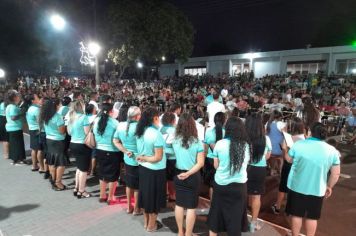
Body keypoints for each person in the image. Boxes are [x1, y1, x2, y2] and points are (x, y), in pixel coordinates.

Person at [282, 122, 340, 236]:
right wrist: (329, 186)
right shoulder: (332, 150)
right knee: (312, 217)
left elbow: (288, 159)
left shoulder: (299, 145)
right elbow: (335, 173)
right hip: (318, 189)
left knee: (296, 214)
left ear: (310, 132)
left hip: (296, 186)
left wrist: (285, 149)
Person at [207, 117, 250, 236]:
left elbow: (216, 166)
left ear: (228, 128)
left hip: (221, 185)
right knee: (235, 221)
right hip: (239, 187)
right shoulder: (245, 146)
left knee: (215, 217)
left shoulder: (220, 144)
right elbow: (245, 166)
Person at [172, 113, 205, 236]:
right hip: (192, 176)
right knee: (191, 207)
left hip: (178, 174)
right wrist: (188, 173)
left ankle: (180, 232)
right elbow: (200, 163)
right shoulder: (197, 142)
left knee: (179, 204)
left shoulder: (175, 140)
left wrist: (184, 174)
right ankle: (188, 234)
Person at [135, 107, 167, 232]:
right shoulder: (156, 134)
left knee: (145, 196)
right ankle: (152, 225)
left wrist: (143, 158)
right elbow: (158, 157)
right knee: (154, 199)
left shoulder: (140, 131)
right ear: (155, 118)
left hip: (143, 169)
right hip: (155, 170)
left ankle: (146, 223)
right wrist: (145, 158)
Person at [272, 117, 305, 215]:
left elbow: (286, 156)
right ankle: (290, 209)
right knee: (294, 187)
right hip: (299, 165)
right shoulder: (303, 138)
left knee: (283, 186)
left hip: (289, 164)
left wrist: (285, 149)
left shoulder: (289, 138)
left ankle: (277, 207)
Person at [245, 113, 272, 232]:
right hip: (259, 169)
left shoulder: (243, 137)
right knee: (256, 197)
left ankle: (241, 219)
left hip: (245, 168)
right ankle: (253, 223)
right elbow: (268, 155)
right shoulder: (266, 138)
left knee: (243, 194)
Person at [113, 106, 141, 214]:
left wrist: (125, 151)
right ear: (137, 116)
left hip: (128, 159)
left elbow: (115, 141)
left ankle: (129, 207)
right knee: (138, 187)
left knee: (129, 184)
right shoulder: (140, 127)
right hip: (140, 160)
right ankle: (137, 208)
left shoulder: (120, 125)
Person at [93, 103, 120, 205]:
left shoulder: (96, 121)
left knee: (102, 173)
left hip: (100, 150)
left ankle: (102, 195)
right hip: (113, 151)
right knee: (113, 175)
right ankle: (110, 197)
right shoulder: (114, 123)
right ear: (111, 111)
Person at [40, 98, 67, 190]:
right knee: (61, 164)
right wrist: (65, 127)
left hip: (49, 140)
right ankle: (58, 182)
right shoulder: (58, 116)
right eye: (59, 104)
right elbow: (61, 131)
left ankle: (53, 179)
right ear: (55, 106)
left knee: (52, 161)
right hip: (58, 141)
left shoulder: (45, 116)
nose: (60, 106)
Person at [67, 100, 91, 198]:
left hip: (73, 143)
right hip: (82, 145)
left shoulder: (71, 117)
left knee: (79, 168)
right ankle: (82, 191)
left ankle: (76, 188)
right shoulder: (84, 117)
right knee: (84, 170)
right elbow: (87, 132)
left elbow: (69, 132)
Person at [204, 112, 226, 199]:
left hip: (210, 160)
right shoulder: (226, 132)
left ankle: (212, 205)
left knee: (212, 184)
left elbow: (205, 148)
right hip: (222, 160)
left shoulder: (208, 132)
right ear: (224, 121)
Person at [5, 90, 26, 165]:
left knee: (13, 144)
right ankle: (19, 159)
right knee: (18, 144)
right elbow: (13, 117)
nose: (19, 97)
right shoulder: (13, 107)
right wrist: (21, 114)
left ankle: (14, 159)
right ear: (14, 98)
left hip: (11, 128)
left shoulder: (9, 106)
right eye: (17, 96)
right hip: (15, 128)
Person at [26, 93, 45, 172]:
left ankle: (34, 165)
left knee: (34, 149)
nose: (39, 98)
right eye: (37, 97)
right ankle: (41, 167)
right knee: (40, 149)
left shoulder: (30, 108)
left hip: (32, 129)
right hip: (38, 130)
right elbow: (39, 121)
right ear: (33, 101)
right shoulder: (36, 109)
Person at [160, 112, 177, 201]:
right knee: (171, 178)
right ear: (173, 120)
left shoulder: (161, 129)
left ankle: (165, 193)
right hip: (172, 156)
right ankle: (172, 194)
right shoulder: (174, 130)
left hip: (162, 155)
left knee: (164, 176)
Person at [266, 110, 285, 175]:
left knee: (272, 159)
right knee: (282, 157)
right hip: (279, 149)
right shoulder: (281, 124)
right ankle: (280, 171)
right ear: (280, 117)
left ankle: (272, 170)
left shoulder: (267, 124)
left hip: (269, 149)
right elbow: (286, 134)